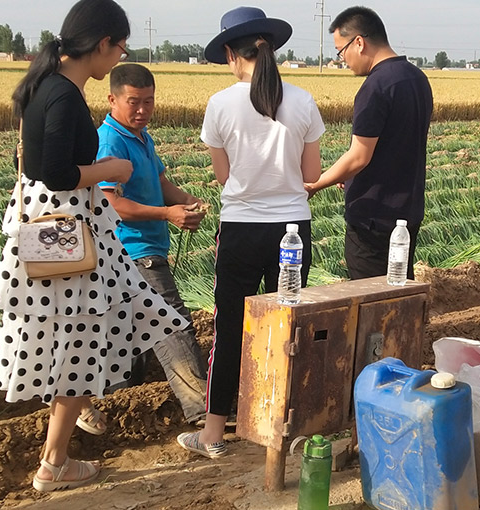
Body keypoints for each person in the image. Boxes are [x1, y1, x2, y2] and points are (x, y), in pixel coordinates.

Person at [0, 0, 187, 492]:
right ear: (102, 44)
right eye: (119, 48)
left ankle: (57, 455)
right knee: (84, 336)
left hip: (53, 231)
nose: (118, 57)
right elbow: (54, 172)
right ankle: (54, 461)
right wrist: (111, 172)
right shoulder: (65, 94)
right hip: (71, 233)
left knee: (80, 333)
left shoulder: (43, 85)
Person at [176, 6, 325, 459]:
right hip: (293, 229)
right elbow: (312, 173)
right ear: (272, 50)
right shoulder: (303, 101)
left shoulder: (220, 104)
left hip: (241, 228)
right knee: (287, 323)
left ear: (229, 54)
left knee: (231, 328)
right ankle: (285, 421)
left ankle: (214, 433)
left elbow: (224, 178)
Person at [96, 63, 208, 424]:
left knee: (127, 338)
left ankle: (118, 407)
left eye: (149, 101)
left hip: (143, 249)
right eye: (134, 102)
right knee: (172, 324)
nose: (142, 110)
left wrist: (186, 202)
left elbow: (160, 182)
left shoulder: (142, 137)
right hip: (134, 251)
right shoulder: (110, 141)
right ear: (112, 99)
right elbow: (112, 204)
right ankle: (201, 411)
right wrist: (166, 214)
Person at [305, 6, 433, 280]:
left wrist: (316, 184)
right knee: (399, 295)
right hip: (407, 213)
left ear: (359, 42)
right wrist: (350, 173)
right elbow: (394, 143)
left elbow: (360, 156)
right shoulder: (417, 78)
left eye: (341, 51)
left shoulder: (375, 87)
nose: (343, 60)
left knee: (370, 302)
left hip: (374, 217)